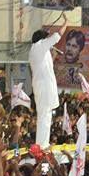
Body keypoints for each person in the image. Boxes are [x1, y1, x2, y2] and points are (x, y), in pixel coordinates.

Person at [28, 14, 67, 148]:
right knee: (45, 115)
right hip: (43, 86)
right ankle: (41, 144)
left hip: (43, 85)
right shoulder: (39, 46)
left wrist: (53, 52)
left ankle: (42, 143)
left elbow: (50, 60)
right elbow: (57, 36)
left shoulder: (37, 50)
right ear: (42, 39)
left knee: (46, 114)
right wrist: (66, 22)